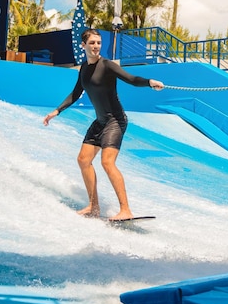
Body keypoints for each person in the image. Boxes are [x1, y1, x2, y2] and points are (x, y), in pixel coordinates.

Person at [43, 28, 164, 221]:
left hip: (115, 121)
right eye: (92, 43)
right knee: (83, 160)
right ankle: (93, 206)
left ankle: (125, 210)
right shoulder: (84, 68)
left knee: (107, 162)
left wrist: (149, 82)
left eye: (98, 43)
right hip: (100, 121)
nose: (96, 46)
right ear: (84, 45)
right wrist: (57, 111)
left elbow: (131, 79)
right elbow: (76, 93)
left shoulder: (107, 65)